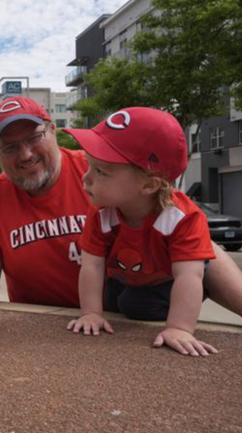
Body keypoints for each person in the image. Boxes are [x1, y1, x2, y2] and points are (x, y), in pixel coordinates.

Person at [0, 97, 242, 332]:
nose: (25, 154)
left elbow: (189, 234)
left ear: (52, 131)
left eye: (34, 137)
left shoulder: (105, 168)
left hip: (124, 318)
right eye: (10, 147)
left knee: (200, 253)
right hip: (46, 325)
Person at [64, 107, 221, 356]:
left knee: (134, 305)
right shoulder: (102, 212)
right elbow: (92, 266)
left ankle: (180, 305)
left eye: (101, 171)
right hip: (126, 275)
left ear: (149, 184)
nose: (86, 178)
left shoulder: (182, 218)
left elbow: (188, 276)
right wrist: (91, 313)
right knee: (112, 302)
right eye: (89, 166)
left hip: (165, 279)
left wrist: (179, 328)